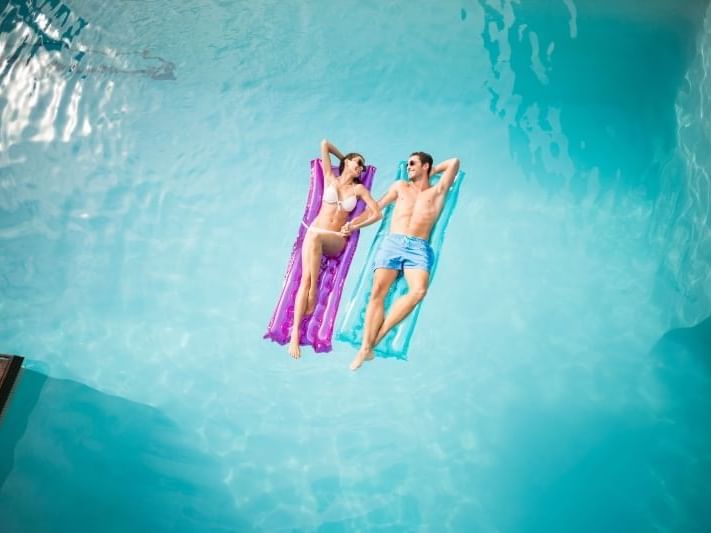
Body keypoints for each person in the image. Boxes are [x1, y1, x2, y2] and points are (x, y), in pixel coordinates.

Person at [344, 152, 460, 370]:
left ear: (426, 166)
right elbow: (375, 208)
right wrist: (353, 224)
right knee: (378, 291)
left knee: (419, 291)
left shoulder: (438, 191)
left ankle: (372, 344)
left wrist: (433, 171)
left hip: (418, 247)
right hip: (393, 243)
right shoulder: (400, 186)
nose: (409, 167)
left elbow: (454, 162)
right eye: (407, 164)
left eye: (413, 163)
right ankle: (364, 349)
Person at [288, 139, 382, 359]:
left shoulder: (359, 188)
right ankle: (294, 336)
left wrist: (355, 224)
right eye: (357, 163)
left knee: (315, 236)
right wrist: (344, 159)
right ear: (347, 162)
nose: (360, 168)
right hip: (315, 235)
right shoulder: (330, 177)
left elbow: (377, 213)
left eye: (362, 167)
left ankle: (313, 294)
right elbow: (325, 144)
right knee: (306, 277)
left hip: (335, 240)